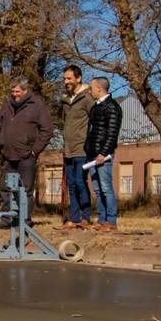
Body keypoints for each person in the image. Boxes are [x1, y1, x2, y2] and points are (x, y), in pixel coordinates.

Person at [0, 77, 53, 228]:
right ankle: (7, 218)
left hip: (26, 156)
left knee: (25, 190)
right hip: (8, 155)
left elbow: (47, 129)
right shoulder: (7, 105)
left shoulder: (37, 104)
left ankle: (24, 220)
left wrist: (35, 150)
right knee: (6, 188)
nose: (14, 94)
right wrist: (0, 144)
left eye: (17, 91)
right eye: (12, 92)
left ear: (25, 91)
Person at [85, 77, 122, 231]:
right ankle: (101, 219)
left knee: (106, 187)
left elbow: (112, 133)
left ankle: (111, 221)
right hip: (92, 154)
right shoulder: (95, 107)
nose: (90, 91)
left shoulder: (112, 107)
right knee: (98, 189)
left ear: (99, 89)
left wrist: (103, 152)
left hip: (103, 155)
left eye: (91, 88)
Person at [61, 65, 95, 229]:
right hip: (68, 149)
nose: (66, 81)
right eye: (64, 78)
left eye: (69, 78)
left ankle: (85, 217)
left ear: (78, 78)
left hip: (82, 149)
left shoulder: (87, 98)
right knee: (72, 184)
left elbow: (95, 121)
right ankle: (74, 218)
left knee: (81, 182)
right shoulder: (65, 100)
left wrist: (91, 143)